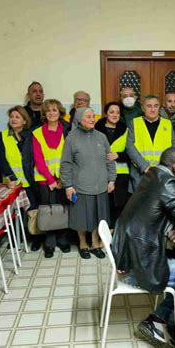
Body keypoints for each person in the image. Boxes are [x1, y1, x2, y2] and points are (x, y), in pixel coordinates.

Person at [112, 147, 175, 346]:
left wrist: (174, 226)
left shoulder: (154, 174)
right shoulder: (169, 183)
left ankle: (165, 320)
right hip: (137, 263)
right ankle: (167, 324)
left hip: (128, 252)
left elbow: (158, 212)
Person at [60, 107, 116, 259]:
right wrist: (68, 186)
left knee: (98, 217)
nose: (93, 119)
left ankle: (95, 243)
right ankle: (83, 243)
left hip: (101, 186)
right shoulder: (71, 138)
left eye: (93, 116)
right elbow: (65, 163)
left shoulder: (101, 137)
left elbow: (109, 159)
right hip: (81, 186)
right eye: (89, 117)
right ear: (79, 119)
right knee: (82, 218)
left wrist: (111, 179)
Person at [32, 99, 71, 257]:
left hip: (63, 178)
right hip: (44, 179)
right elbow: (38, 159)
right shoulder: (37, 133)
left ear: (60, 112)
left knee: (62, 208)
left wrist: (62, 178)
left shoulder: (67, 131)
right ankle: (49, 243)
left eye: (55, 110)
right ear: (44, 114)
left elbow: (69, 156)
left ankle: (62, 240)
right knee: (47, 209)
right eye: (48, 111)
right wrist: (50, 180)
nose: (52, 113)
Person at [0, 106, 39, 247]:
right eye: (12, 117)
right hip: (12, 181)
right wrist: (11, 177)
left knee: (33, 209)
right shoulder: (3, 135)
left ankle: (34, 238)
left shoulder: (31, 135)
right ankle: (16, 238)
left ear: (24, 121)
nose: (14, 119)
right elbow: (1, 159)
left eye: (17, 117)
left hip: (30, 180)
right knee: (15, 210)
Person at [126, 95, 175, 192]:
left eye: (156, 106)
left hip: (162, 172)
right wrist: (144, 166)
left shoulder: (167, 123)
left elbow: (173, 147)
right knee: (140, 203)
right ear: (143, 108)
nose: (153, 109)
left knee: (161, 204)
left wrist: (164, 166)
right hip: (140, 173)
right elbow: (129, 146)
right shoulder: (134, 123)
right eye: (149, 106)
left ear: (159, 107)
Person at [95, 102, 130, 228]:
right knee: (104, 205)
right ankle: (103, 235)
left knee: (119, 205)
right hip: (101, 173)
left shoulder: (126, 129)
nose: (115, 115)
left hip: (121, 173)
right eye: (111, 112)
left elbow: (132, 151)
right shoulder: (96, 129)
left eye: (118, 112)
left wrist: (119, 155)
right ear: (105, 113)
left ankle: (116, 235)